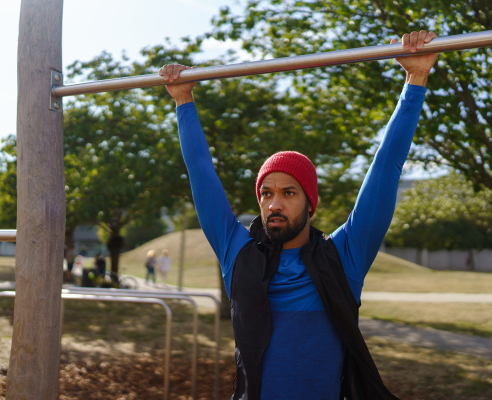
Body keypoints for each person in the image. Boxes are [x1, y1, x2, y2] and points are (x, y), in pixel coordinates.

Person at [160, 30, 438, 400]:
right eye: (266, 193)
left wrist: (415, 79)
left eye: (289, 193)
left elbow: (386, 166)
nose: (274, 204)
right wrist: (184, 101)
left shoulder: (343, 257)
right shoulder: (238, 255)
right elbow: (200, 171)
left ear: (310, 204)